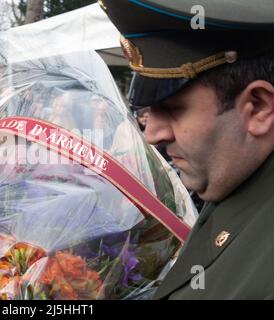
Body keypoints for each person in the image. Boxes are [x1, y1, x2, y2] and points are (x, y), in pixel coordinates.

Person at [100, 0, 274, 298]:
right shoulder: (233, 176)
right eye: (148, 111)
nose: (151, 134)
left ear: (258, 107)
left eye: (171, 108)